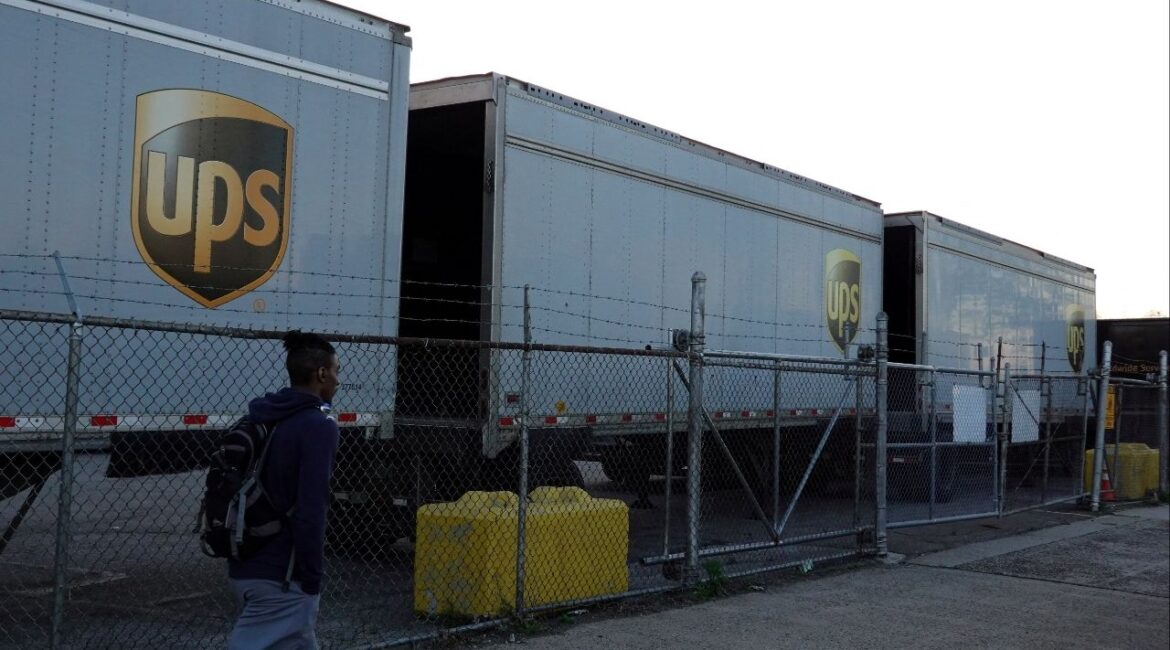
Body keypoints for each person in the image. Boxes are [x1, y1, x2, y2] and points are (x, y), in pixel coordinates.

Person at [227, 331, 341, 650]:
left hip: (245, 564)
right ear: (321, 374)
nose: (338, 380)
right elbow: (311, 509)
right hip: (282, 577)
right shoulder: (319, 426)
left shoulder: (265, 414)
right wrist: (312, 577)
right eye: (337, 371)